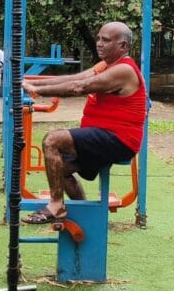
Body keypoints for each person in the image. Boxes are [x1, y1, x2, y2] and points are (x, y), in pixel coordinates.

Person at [20, 22, 147, 224]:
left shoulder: (123, 70)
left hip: (119, 140)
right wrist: (30, 83)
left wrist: (37, 90)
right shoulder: (106, 65)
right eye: (98, 38)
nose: (99, 44)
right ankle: (87, 217)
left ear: (122, 46)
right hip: (102, 134)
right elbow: (76, 77)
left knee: (52, 140)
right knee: (59, 169)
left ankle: (56, 205)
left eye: (106, 40)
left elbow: (78, 87)